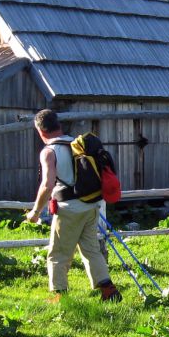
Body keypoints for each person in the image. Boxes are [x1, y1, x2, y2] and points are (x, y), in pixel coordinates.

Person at [25, 109, 122, 301]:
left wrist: (35, 212)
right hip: (91, 205)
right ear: (59, 125)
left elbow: (47, 184)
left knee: (58, 253)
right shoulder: (77, 144)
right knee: (91, 250)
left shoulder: (49, 151)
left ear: (40, 130)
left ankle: (59, 296)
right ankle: (108, 290)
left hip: (69, 209)